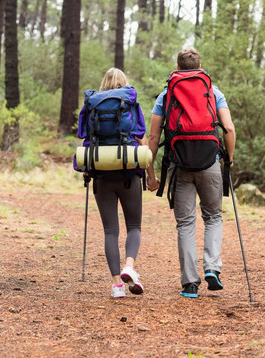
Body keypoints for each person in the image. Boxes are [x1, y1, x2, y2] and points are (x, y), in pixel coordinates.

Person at [146, 48, 236, 299]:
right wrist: (228, 158)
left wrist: (150, 172)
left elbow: (153, 137)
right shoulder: (213, 91)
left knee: (185, 223)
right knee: (213, 217)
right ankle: (212, 269)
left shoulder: (167, 94)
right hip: (209, 163)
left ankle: (190, 284)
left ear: (178, 66)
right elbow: (228, 127)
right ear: (199, 66)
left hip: (179, 163)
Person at [88, 67, 156, 298]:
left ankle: (117, 285)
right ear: (124, 83)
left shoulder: (93, 105)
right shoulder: (130, 104)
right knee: (134, 226)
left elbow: (87, 139)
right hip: (129, 173)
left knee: (110, 231)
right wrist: (150, 173)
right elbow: (142, 139)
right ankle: (129, 266)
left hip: (101, 173)